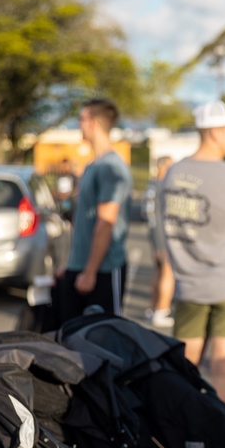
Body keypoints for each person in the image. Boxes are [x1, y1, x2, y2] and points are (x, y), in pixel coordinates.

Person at [159, 100, 225, 407]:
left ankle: (185, 442)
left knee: (185, 371)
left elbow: (163, 230)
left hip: (189, 287)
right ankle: (222, 446)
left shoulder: (172, 174)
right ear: (216, 132)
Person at [54, 99, 133, 325]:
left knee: (103, 339)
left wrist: (90, 271)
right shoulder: (93, 165)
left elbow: (105, 222)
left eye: (80, 119)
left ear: (93, 122)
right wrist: (70, 264)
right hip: (80, 267)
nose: (78, 125)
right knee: (69, 339)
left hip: (103, 270)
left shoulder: (111, 167)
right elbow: (83, 222)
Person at [145, 155, 175, 328]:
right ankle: (162, 310)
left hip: (154, 232)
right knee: (167, 271)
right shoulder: (161, 185)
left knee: (158, 271)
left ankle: (153, 307)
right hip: (162, 233)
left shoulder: (152, 184)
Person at [51, 157, 79, 222]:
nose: (64, 168)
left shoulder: (73, 177)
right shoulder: (58, 177)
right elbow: (54, 190)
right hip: (60, 205)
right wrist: (58, 194)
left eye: (66, 166)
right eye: (62, 166)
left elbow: (77, 189)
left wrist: (68, 195)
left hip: (71, 206)